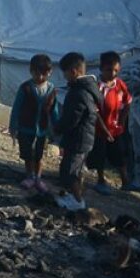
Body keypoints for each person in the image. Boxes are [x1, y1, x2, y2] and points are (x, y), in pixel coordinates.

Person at [52, 52, 104, 211]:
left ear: (73, 72)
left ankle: (77, 201)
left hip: (78, 138)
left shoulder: (78, 93)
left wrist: (57, 128)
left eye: (65, 73)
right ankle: (73, 196)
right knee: (77, 169)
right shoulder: (90, 88)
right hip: (86, 138)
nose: (64, 77)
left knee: (70, 171)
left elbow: (71, 118)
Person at [8, 54, 60, 193]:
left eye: (44, 74)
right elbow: (16, 108)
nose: (40, 77)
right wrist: (13, 126)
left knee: (39, 155)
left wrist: (57, 127)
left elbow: (54, 110)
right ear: (31, 71)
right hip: (25, 128)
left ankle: (38, 178)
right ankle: (29, 176)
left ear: (50, 72)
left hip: (42, 130)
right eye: (37, 73)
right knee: (28, 155)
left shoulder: (51, 89)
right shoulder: (25, 88)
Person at [91, 51, 133, 194]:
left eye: (116, 70)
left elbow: (127, 102)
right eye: (109, 70)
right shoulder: (97, 87)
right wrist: (104, 130)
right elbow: (95, 112)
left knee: (120, 154)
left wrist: (121, 122)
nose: (113, 73)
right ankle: (100, 180)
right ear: (101, 68)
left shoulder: (119, 85)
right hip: (99, 129)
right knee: (100, 154)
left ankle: (125, 181)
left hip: (115, 129)